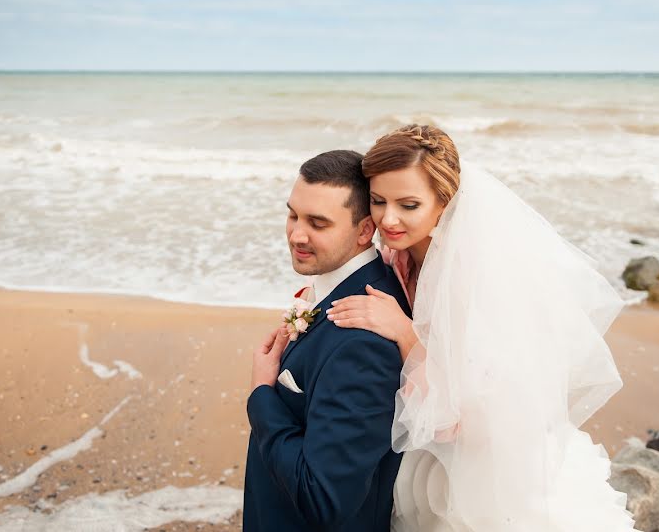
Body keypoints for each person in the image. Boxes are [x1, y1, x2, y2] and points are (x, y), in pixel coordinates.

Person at [326, 125, 637, 531]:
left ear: (446, 202)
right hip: (428, 445)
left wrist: (403, 332)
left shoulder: (471, 278)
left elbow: (459, 418)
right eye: (379, 201)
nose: (388, 218)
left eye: (409, 204)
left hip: (479, 463)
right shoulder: (401, 251)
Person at [244, 149, 413, 531]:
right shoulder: (341, 288)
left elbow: (323, 499)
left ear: (365, 231)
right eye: (293, 214)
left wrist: (261, 395)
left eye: (317, 223)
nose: (296, 234)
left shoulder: (363, 345)